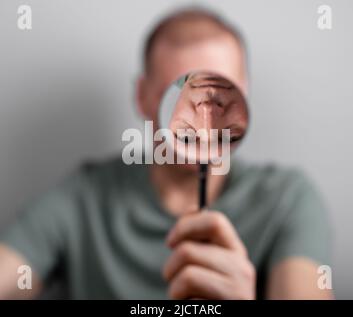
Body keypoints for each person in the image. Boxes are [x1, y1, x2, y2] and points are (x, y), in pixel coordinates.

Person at [0, 8, 333, 299]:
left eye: (219, 99)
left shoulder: (286, 199)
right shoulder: (81, 198)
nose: (202, 126)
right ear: (144, 98)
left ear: (244, 98)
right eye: (176, 98)